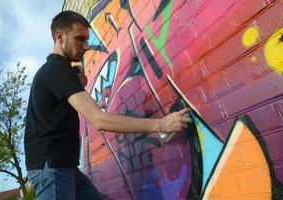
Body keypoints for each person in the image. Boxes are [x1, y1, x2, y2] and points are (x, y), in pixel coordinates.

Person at [24, 10, 192, 200]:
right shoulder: (57, 70)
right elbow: (99, 119)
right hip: (53, 169)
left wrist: (77, 81)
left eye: (87, 40)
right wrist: (161, 124)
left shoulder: (57, 72)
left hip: (63, 166)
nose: (86, 46)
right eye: (80, 39)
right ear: (59, 36)